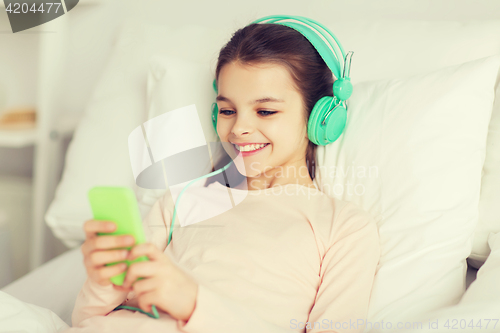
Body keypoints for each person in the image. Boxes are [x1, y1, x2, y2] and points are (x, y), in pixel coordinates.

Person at [64, 19, 381, 333]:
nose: (238, 129)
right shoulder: (183, 200)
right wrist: (103, 279)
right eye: (228, 111)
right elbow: (87, 320)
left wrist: (193, 304)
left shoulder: (344, 228)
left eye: (265, 111)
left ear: (320, 117)